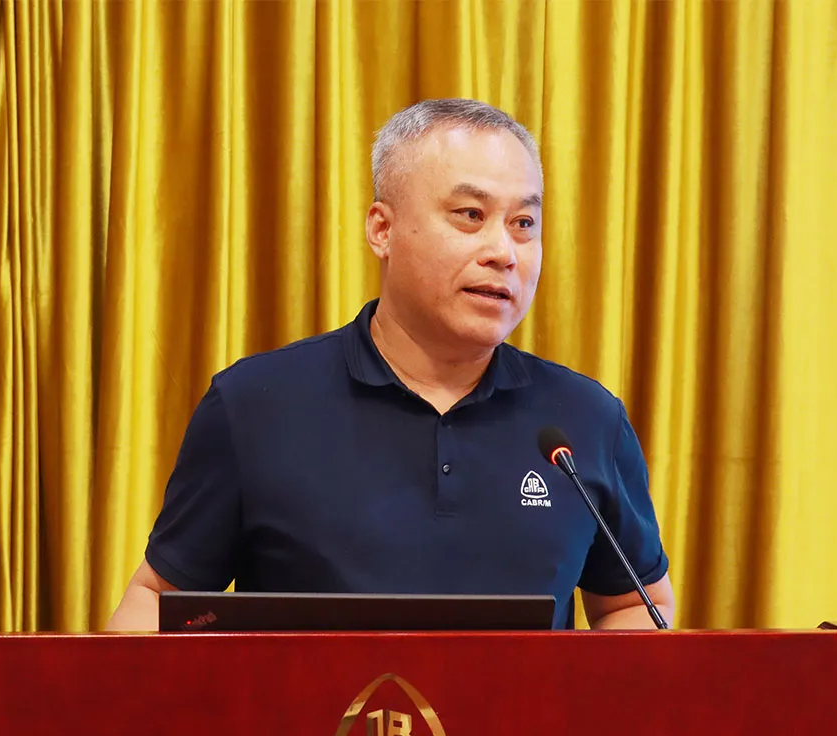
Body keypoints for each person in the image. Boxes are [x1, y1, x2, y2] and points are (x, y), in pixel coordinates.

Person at [106, 98, 674, 632]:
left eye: (523, 223)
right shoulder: (254, 405)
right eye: (470, 215)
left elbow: (635, 605)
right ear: (383, 230)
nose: (504, 252)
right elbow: (156, 600)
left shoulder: (584, 422)